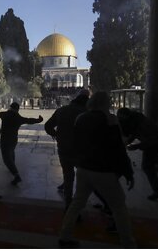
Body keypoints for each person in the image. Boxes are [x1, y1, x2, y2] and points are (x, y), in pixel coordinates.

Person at [58, 91, 136, 248]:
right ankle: (127, 242)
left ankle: (64, 236)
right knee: (119, 206)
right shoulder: (110, 119)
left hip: (84, 168)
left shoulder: (81, 118)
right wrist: (128, 172)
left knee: (77, 203)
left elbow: (77, 142)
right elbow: (118, 148)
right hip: (103, 170)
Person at [44, 89, 89, 209]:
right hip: (81, 151)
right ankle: (78, 206)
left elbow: (48, 126)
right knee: (83, 179)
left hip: (64, 148)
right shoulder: (87, 112)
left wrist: (55, 134)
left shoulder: (61, 110)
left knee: (68, 176)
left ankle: (68, 204)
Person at [117, 107, 158, 200]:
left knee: (147, 165)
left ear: (125, 116)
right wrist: (128, 142)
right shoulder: (135, 120)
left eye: (120, 118)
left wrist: (136, 146)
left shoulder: (141, 123)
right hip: (154, 142)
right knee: (152, 161)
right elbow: (135, 133)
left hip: (155, 143)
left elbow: (151, 140)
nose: (119, 120)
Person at [0, 102, 43, 185]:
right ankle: (12, 166)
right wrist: (38, 120)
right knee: (11, 152)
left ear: (10, 107)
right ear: (17, 109)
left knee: (6, 158)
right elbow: (29, 120)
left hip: (5, 139)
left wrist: (9, 111)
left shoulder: (5, 115)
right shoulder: (18, 118)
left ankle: (16, 175)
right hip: (13, 139)